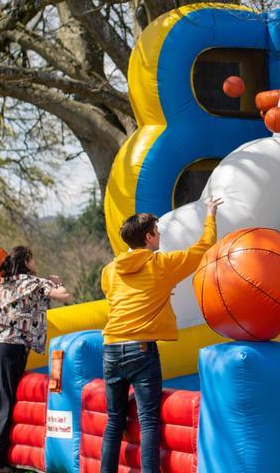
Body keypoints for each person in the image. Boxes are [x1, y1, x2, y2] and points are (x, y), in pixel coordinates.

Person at [100, 196, 223, 473]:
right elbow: (204, 248)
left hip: (111, 347)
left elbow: (115, 295)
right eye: (157, 232)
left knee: (113, 420)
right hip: (140, 350)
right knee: (148, 420)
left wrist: (157, 292)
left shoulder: (110, 271)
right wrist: (210, 214)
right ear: (148, 236)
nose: (159, 237)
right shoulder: (162, 265)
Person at [0, 246, 71, 473]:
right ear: (27, 261)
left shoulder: (5, 282)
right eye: (33, 258)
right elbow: (64, 296)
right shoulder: (33, 282)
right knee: (4, 403)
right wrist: (56, 283)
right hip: (12, 347)